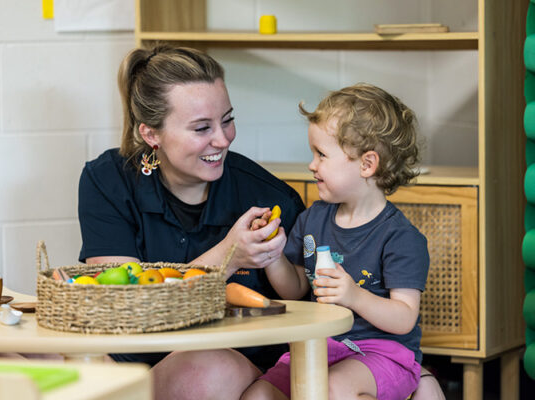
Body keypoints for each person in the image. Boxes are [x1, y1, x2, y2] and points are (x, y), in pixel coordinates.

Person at [77, 44, 306, 400]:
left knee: (205, 371)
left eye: (227, 120)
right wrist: (230, 254)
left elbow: (302, 304)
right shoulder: (107, 180)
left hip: (229, 367)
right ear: (151, 134)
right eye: (202, 128)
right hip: (131, 363)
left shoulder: (271, 198)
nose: (223, 139)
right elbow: (127, 307)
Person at [241, 83, 438, 400]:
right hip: (321, 346)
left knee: (330, 390)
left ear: (366, 164)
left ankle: (422, 388)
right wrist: (274, 251)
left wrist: (354, 296)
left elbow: (404, 318)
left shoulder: (400, 237)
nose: (312, 165)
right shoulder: (312, 220)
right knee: (258, 396)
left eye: (321, 154)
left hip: (384, 353)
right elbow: (294, 288)